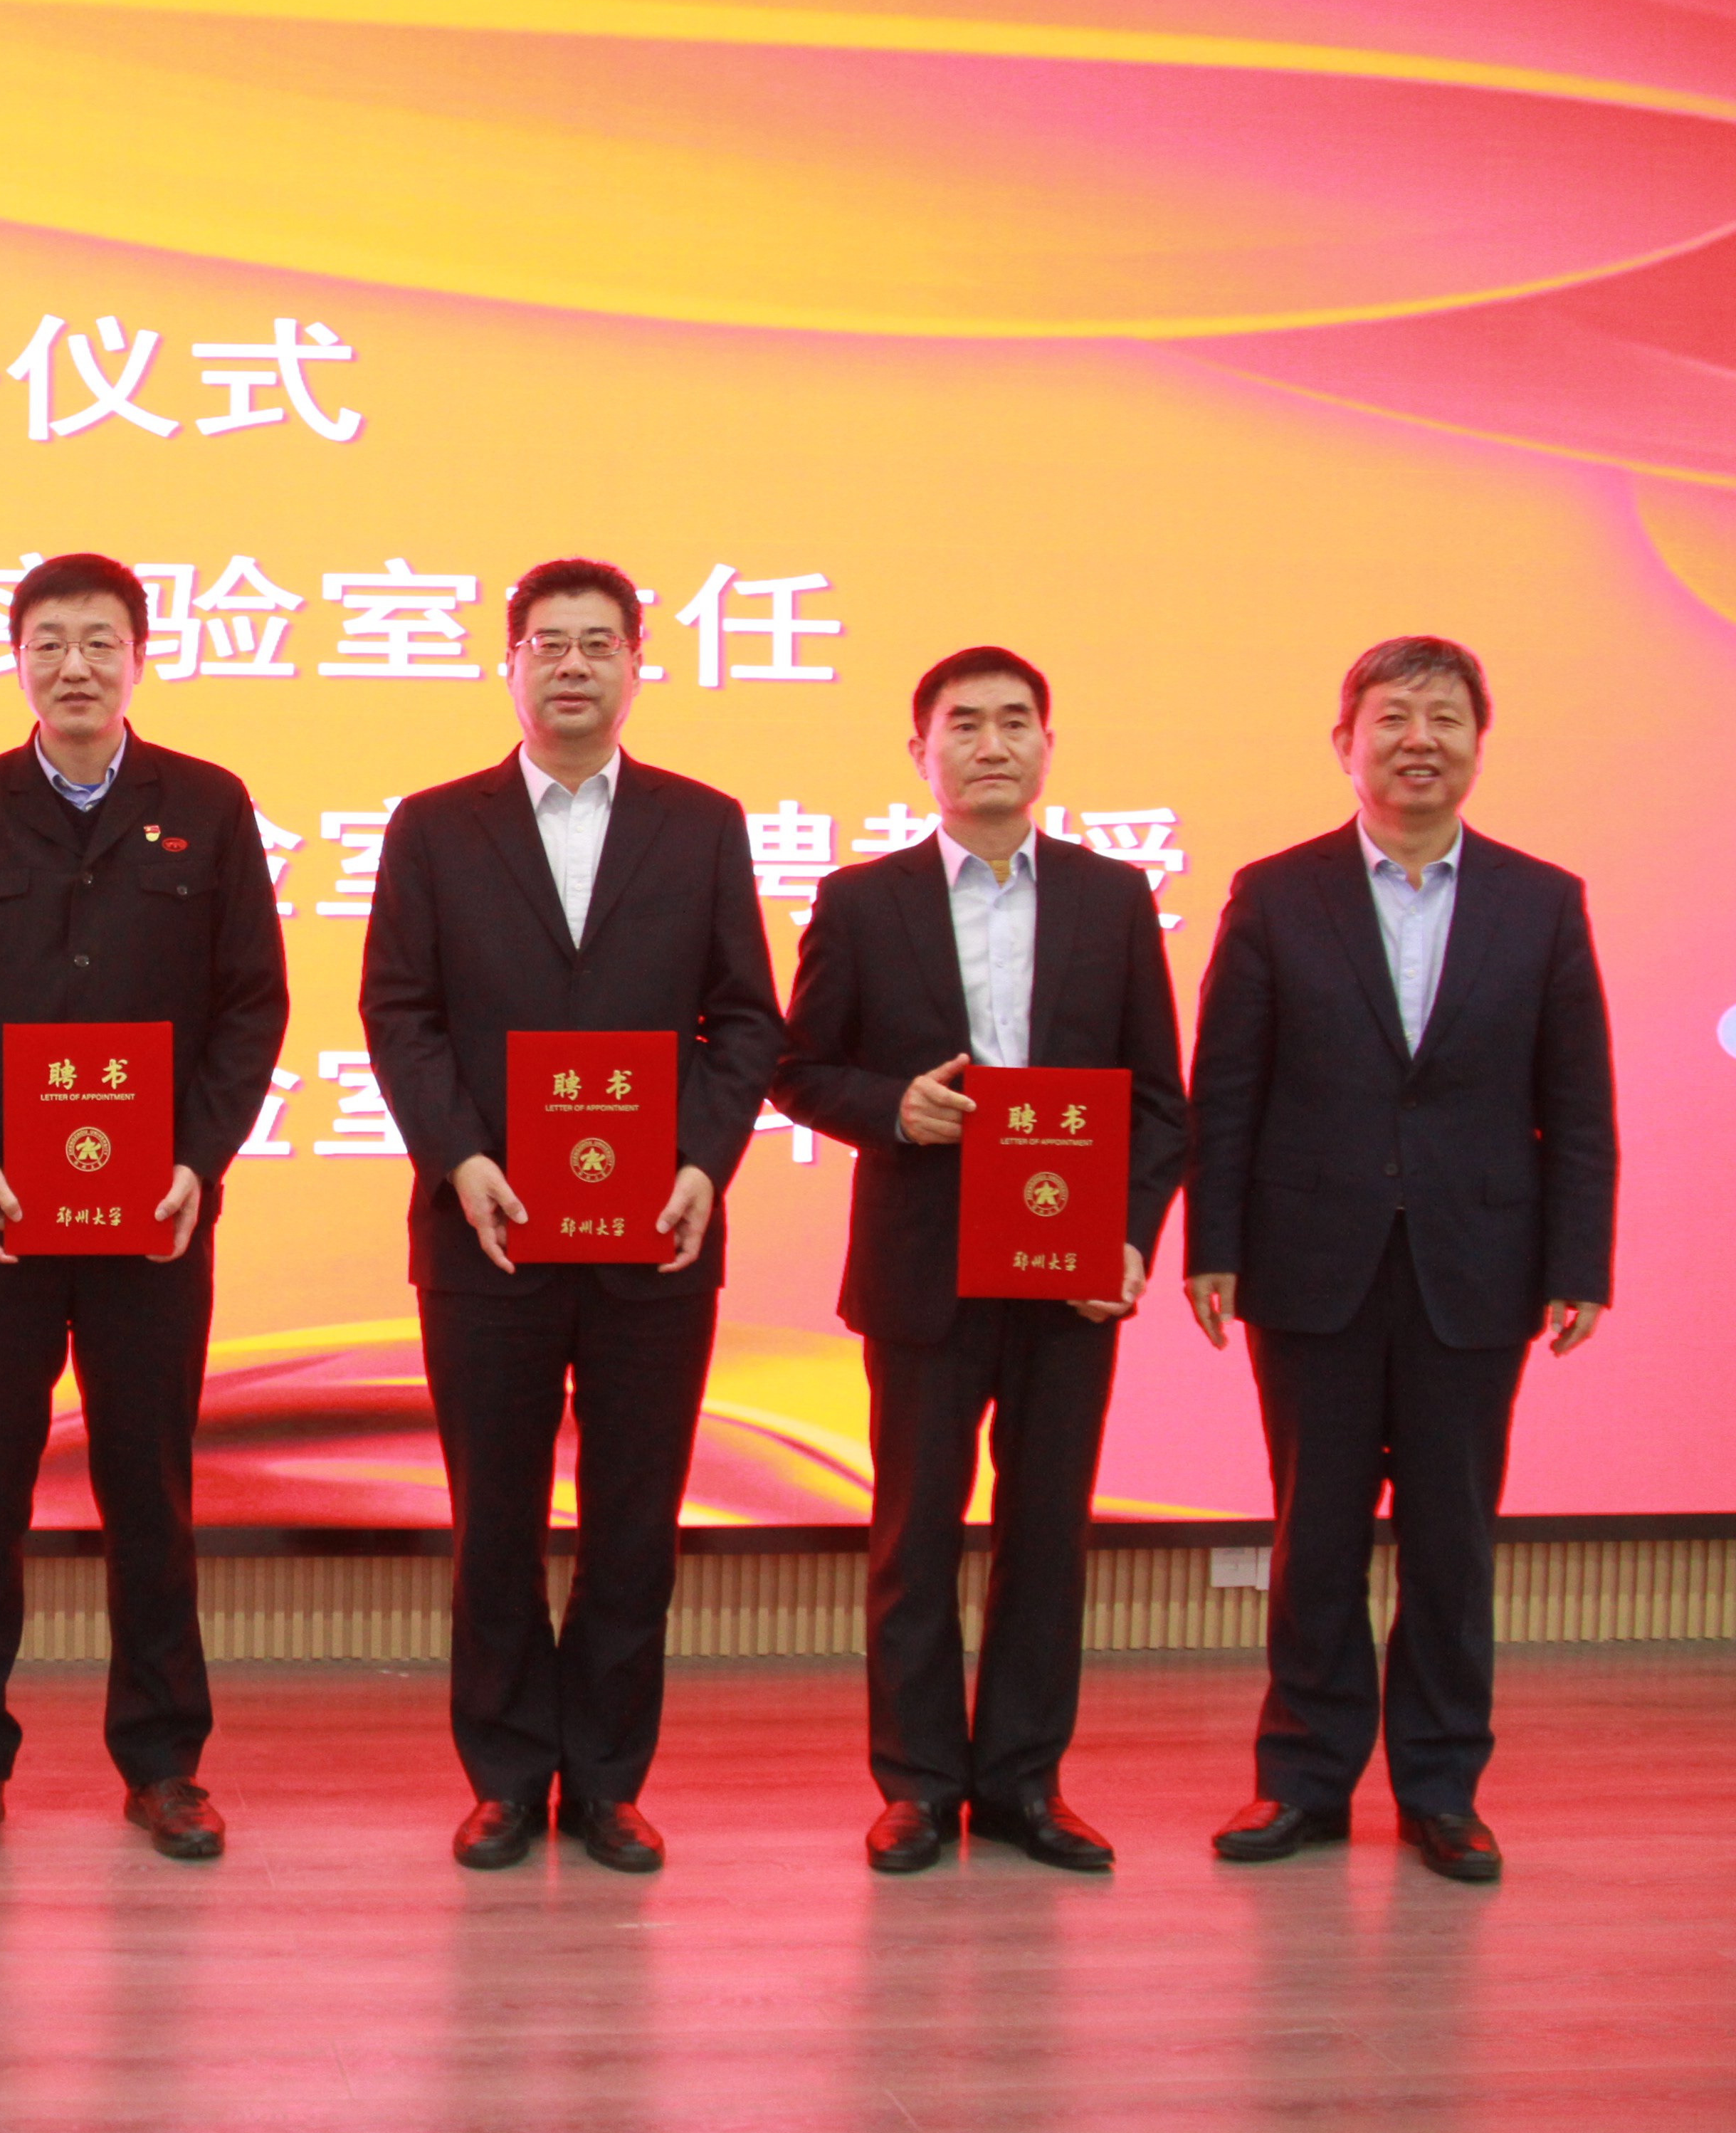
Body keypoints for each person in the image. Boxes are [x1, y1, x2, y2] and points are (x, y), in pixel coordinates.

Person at [357, 557, 779, 1875]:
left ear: (638, 663)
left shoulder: (702, 825)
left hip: (658, 1235)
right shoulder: (436, 826)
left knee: (633, 1521)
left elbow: (746, 1019)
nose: (575, 665)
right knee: (494, 1518)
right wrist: (459, 1159)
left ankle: (604, 1780)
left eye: (601, 643)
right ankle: (501, 1775)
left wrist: (704, 1162)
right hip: (488, 1232)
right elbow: (399, 1012)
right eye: (550, 643)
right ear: (511, 665)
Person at [0, 553, 290, 1862]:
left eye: (100, 641)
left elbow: (253, 1004)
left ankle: (164, 1763)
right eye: (49, 642)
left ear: (139, 658)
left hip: (154, 1220)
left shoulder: (208, 807)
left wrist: (198, 1160)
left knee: (149, 1489)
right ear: (17, 660)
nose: (75, 666)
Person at [1187, 636, 1614, 1885]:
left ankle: (1441, 1788)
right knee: (1313, 1534)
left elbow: (1577, 1101)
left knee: (1451, 1542)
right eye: (1393, 717)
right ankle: (1302, 1779)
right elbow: (1228, 1085)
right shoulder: (1277, 893)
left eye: (1445, 718)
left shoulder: (1542, 900)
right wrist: (1215, 1245)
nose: (1419, 739)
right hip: (1309, 1262)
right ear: (1346, 743)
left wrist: (1579, 1260)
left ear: (1479, 743)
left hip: (1477, 1265)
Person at [771, 646, 1185, 1875]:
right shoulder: (861, 901)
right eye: (965, 724)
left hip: (1069, 1271)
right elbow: (798, 1070)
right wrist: (892, 1108)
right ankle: (914, 1786)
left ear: (1048, 745)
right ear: (921, 752)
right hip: (922, 1269)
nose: (991, 744)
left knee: (1047, 1538)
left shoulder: (1114, 899)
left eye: (1015, 722)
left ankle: (1022, 1784)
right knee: (915, 1537)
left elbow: (1160, 1101)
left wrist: (1128, 1239)